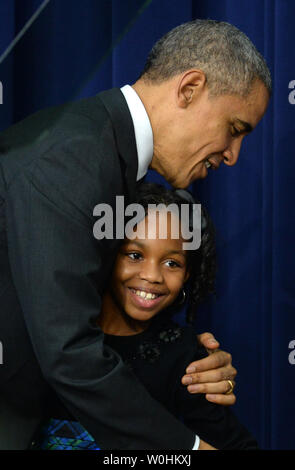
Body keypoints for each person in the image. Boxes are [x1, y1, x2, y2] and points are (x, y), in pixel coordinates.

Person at [0, 19, 270, 449]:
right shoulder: (74, 156)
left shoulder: (100, 154)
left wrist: (181, 358)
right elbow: (69, 353)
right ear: (190, 88)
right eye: (234, 129)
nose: (233, 155)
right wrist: (191, 450)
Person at [32, 182, 258, 450]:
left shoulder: (185, 359)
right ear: (107, 254)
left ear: (187, 274)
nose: (152, 275)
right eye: (135, 255)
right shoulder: (52, 333)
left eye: (172, 263)